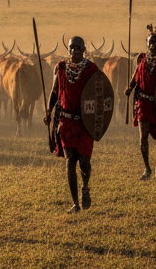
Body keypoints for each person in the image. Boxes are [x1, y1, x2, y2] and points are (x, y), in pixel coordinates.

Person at [44, 36, 99, 213]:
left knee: (84, 162)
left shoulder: (91, 69)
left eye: (77, 47)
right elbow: (54, 91)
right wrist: (49, 110)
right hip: (66, 121)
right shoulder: (61, 67)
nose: (74, 50)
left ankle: (85, 188)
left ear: (84, 49)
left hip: (84, 123)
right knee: (70, 162)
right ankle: (75, 203)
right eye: (71, 47)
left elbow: (100, 92)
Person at [125, 23, 156, 180]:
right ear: (147, 44)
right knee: (143, 137)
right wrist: (130, 87)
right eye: (150, 43)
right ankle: (147, 169)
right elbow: (136, 75)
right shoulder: (142, 59)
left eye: (155, 43)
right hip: (143, 104)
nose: (152, 46)